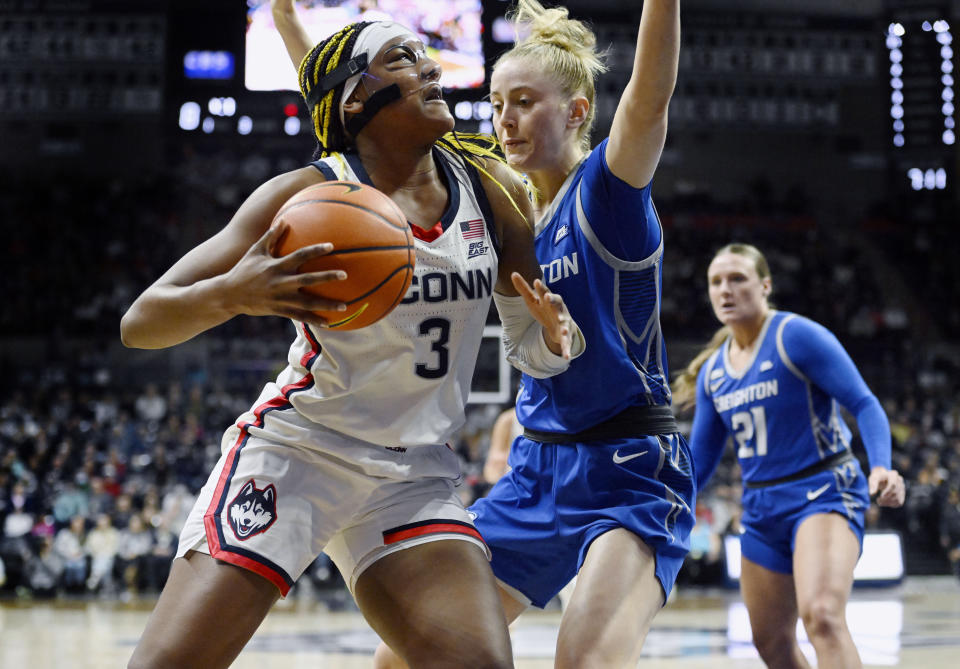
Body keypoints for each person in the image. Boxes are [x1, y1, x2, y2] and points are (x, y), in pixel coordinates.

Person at [121, 14, 583, 669]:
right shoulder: (305, 195)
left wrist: (556, 337)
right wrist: (232, 294)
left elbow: (533, 350)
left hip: (413, 472)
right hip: (300, 452)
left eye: (426, 57)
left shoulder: (491, 193)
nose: (429, 68)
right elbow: (141, 321)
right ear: (356, 99)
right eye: (402, 58)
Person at [271, 0, 694, 664]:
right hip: (535, 470)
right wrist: (285, 17)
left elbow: (650, 97)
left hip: (628, 468)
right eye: (497, 104)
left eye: (524, 102)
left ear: (578, 112)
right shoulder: (498, 204)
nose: (505, 119)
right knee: (403, 657)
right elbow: (371, 125)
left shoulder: (606, 193)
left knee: (583, 659)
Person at [672, 243, 906, 669]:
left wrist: (883, 466)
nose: (725, 290)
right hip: (761, 508)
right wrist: (667, 505)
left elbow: (864, 403)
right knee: (770, 644)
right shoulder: (713, 374)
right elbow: (700, 462)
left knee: (823, 618)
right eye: (716, 282)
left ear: (765, 285)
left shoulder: (795, 336)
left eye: (738, 278)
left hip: (824, 491)